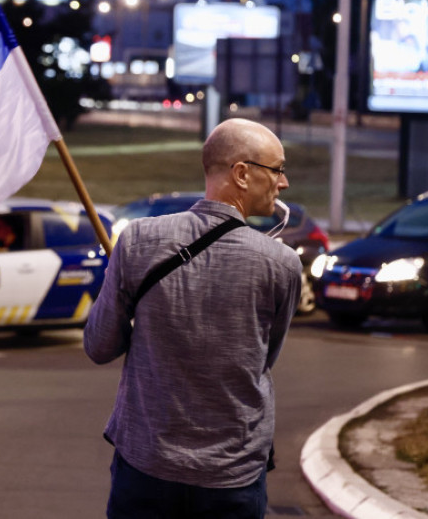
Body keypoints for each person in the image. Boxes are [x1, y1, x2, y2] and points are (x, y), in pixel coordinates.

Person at [84, 118, 302, 518]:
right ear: (241, 174)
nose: (283, 183)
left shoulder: (136, 241)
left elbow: (99, 346)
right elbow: (264, 359)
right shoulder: (282, 263)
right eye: (277, 169)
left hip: (146, 468)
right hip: (231, 477)